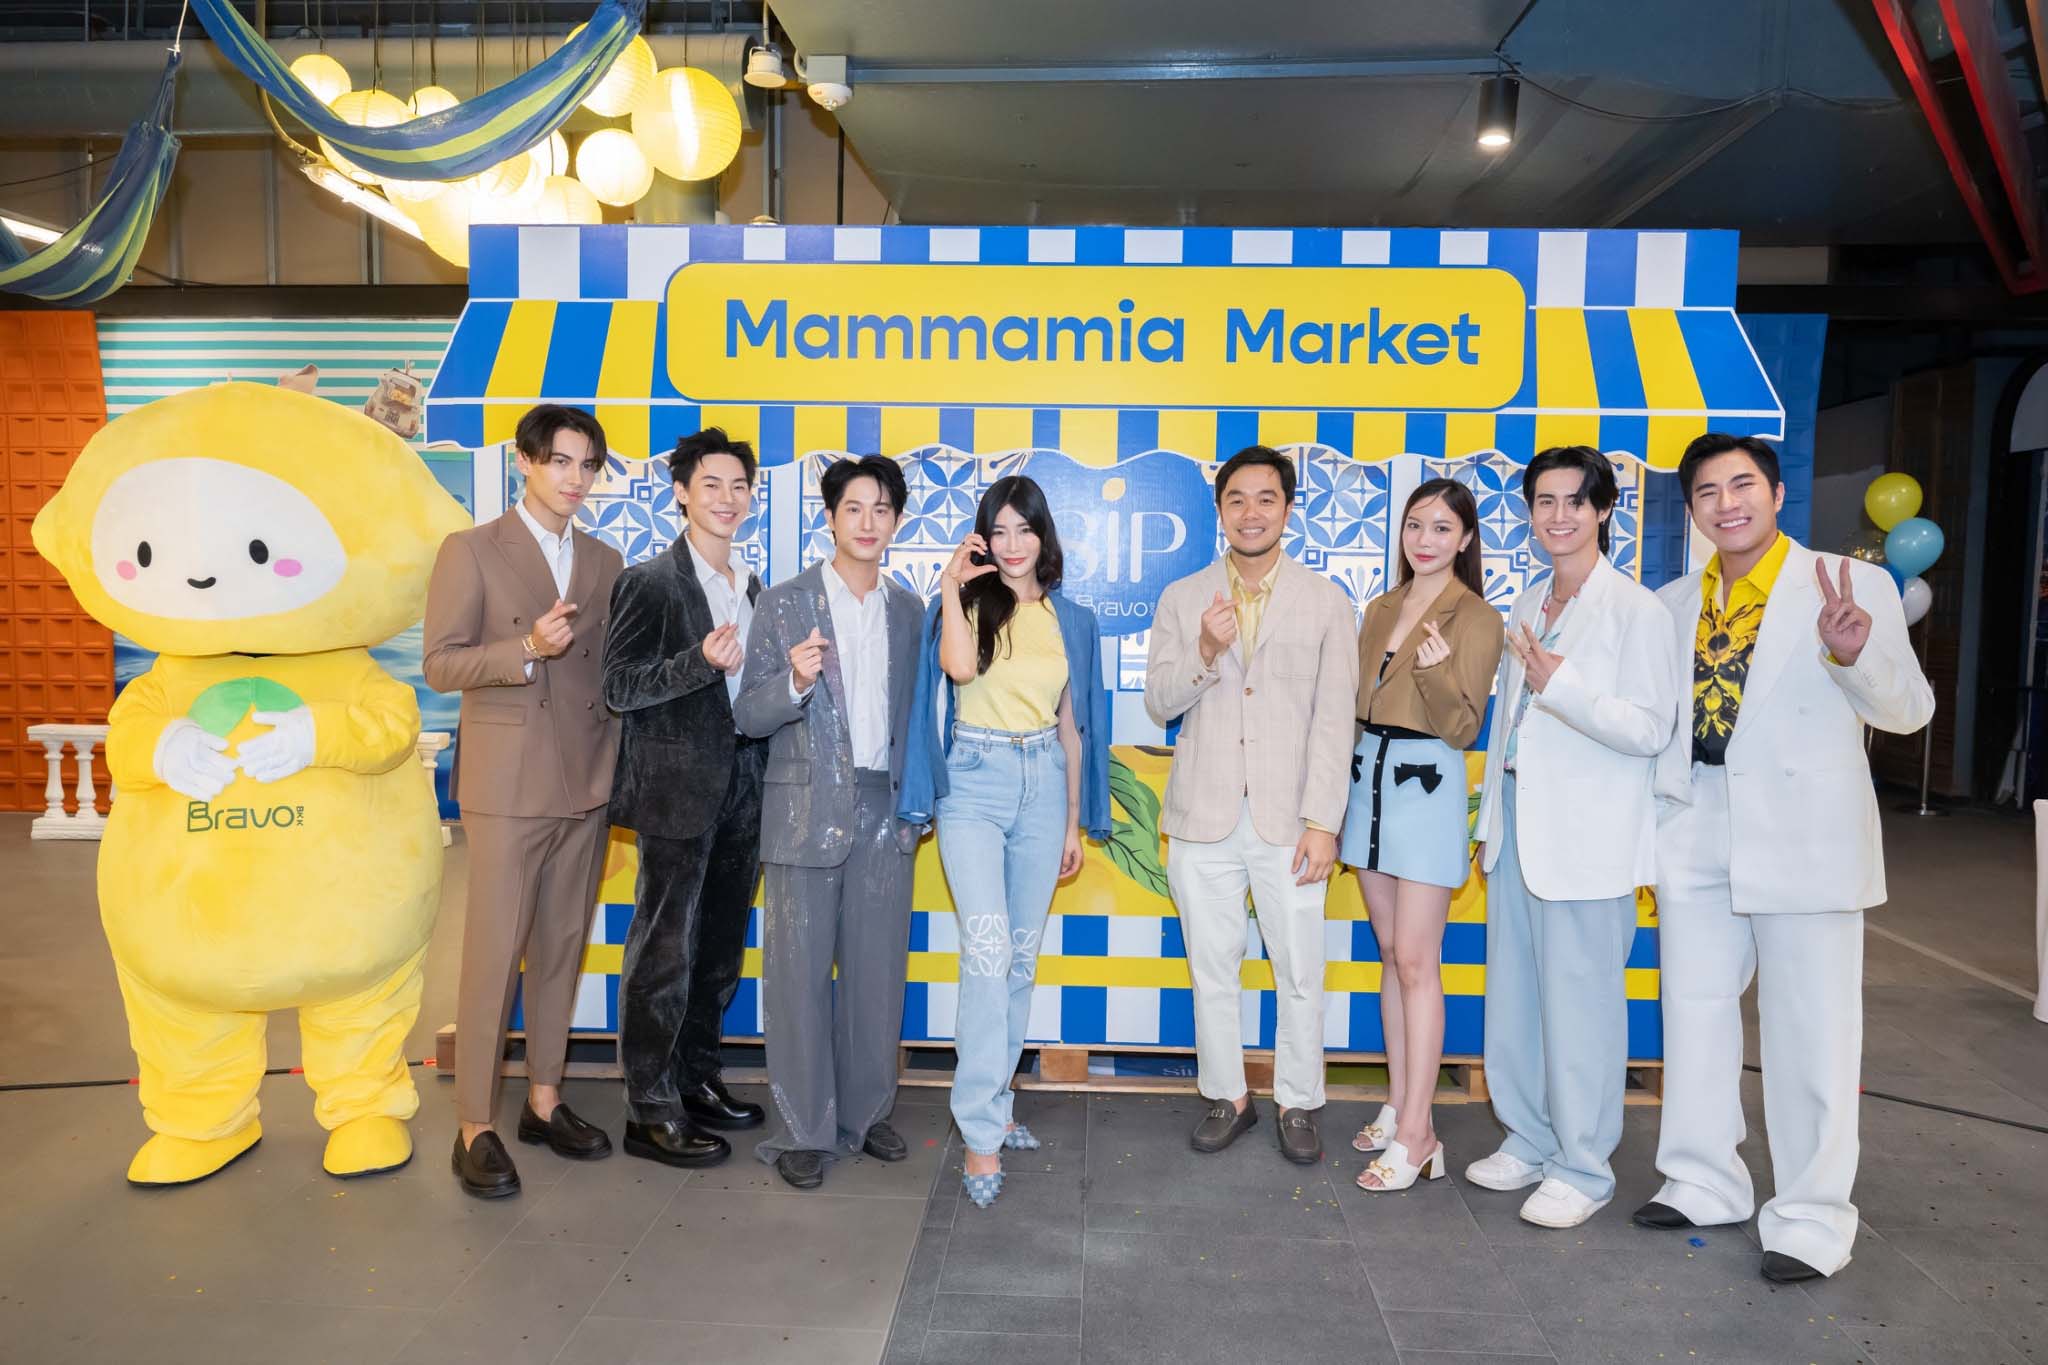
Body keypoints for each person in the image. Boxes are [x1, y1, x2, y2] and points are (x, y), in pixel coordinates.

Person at [1633, 433, 1934, 1283]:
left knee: (1810, 1028)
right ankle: (1703, 1177)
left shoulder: (1849, 585)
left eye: (1742, 485)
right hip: (1696, 821)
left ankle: (1811, 1216)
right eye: (1707, 491)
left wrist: (1854, 651)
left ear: (1775, 493)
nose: (1726, 503)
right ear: (1691, 509)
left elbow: (1909, 710)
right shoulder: (1672, 601)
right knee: (1695, 1009)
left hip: (1805, 833)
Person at [1468, 445, 1679, 1225]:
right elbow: (1508, 726)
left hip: (1588, 836)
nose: (1558, 516)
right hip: (1518, 821)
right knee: (1516, 996)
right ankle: (1529, 1137)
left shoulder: (1637, 611)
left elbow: (1651, 728)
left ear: (1603, 511)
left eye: (1574, 501)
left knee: (1582, 1006)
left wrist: (1566, 686)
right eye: (1544, 501)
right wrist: (1490, 821)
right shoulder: (1529, 599)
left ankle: (1584, 1167)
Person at [423, 403, 623, 1199]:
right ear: (525, 461)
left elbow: (607, 671)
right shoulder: (471, 549)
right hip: (508, 784)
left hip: (585, 781)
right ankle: (475, 1123)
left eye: (588, 465)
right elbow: (441, 664)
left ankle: (544, 1098)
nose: (575, 478)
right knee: (493, 954)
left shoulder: (605, 560)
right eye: (561, 461)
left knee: (562, 945)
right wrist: (526, 649)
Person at [898, 474, 1111, 1209]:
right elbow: (959, 669)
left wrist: (1073, 820)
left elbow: (1072, 727)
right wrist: (952, 584)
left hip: (1044, 782)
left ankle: (997, 1100)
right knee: (987, 955)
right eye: (1000, 530)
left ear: (1043, 535)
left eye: (1026, 529)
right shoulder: (964, 604)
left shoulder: (1071, 619)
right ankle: (980, 1130)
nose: (1014, 544)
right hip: (974, 781)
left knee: (1019, 957)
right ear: (982, 538)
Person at [1144, 445, 1358, 1167]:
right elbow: (1159, 701)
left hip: (1291, 820)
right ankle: (1227, 1096)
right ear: (1219, 510)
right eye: (1236, 499)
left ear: (1288, 509)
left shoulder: (1326, 600)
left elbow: (1336, 720)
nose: (1251, 512)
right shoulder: (1183, 598)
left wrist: (1324, 821)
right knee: (1212, 966)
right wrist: (1205, 650)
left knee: (1299, 970)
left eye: (1266, 498)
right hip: (1202, 816)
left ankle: (1298, 1102)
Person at [734, 456, 925, 1190]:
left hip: (885, 807)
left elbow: (919, 718)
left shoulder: (909, 610)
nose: (868, 522)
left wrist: (918, 804)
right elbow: (748, 714)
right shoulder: (784, 604)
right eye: (854, 508)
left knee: (878, 975)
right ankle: (805, 1128)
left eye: (882, 509)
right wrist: (794, 681)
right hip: (804, 808)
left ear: (897, 521)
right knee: (797, 976)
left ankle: (866, 1115)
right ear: (830, 518)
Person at [602, 428, 767, 1169]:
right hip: (674, 791)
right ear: (680, 493)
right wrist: (697, 661)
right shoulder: (649, 582)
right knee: (663, 949)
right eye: (711, 485)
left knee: (721, 948)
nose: (726, 499)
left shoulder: (754, 586)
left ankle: (697, 1078)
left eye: (738, 486)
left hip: (746, 787)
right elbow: (619, 686)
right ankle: (649, 1106)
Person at [1345, 478, 1504, 1192]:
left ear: (1465, 538)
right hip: (1367, 782)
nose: (1426, 539)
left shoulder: (1478, 617)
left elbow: (1463, 727)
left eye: (1442, 527)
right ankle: (1398, 1103)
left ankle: (1420, 1132)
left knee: (1417, 958)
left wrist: (1437, 674)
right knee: (1390, 953)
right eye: (1415, 524)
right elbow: (1356, 703)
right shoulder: (1380, 607)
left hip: (1427, 785)